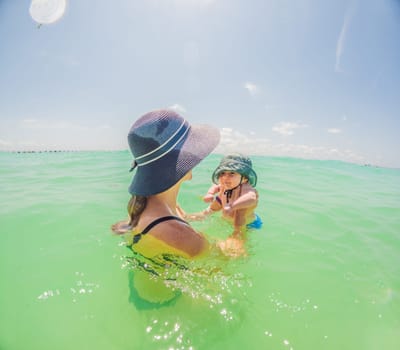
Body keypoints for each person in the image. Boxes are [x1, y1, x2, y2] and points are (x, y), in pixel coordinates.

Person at [111, 109, 222, 306]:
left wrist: (204, 214)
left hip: (142, 290)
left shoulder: (143, 206)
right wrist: (242, 220)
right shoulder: (175, 231)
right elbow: (226, 258)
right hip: (162, 303)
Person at [183, 154, 262, 249]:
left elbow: (251, 198)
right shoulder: (225, 184)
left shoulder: (245, 188)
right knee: (218, 200)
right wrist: (210, 194)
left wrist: (232, 205)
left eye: (232, 173)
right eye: (223, 173)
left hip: (248, 223)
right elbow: (215, 186)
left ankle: (238, 238)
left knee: (239, 214)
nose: (225, 177)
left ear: (244, 178)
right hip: (227, 212)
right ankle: (204, 214)